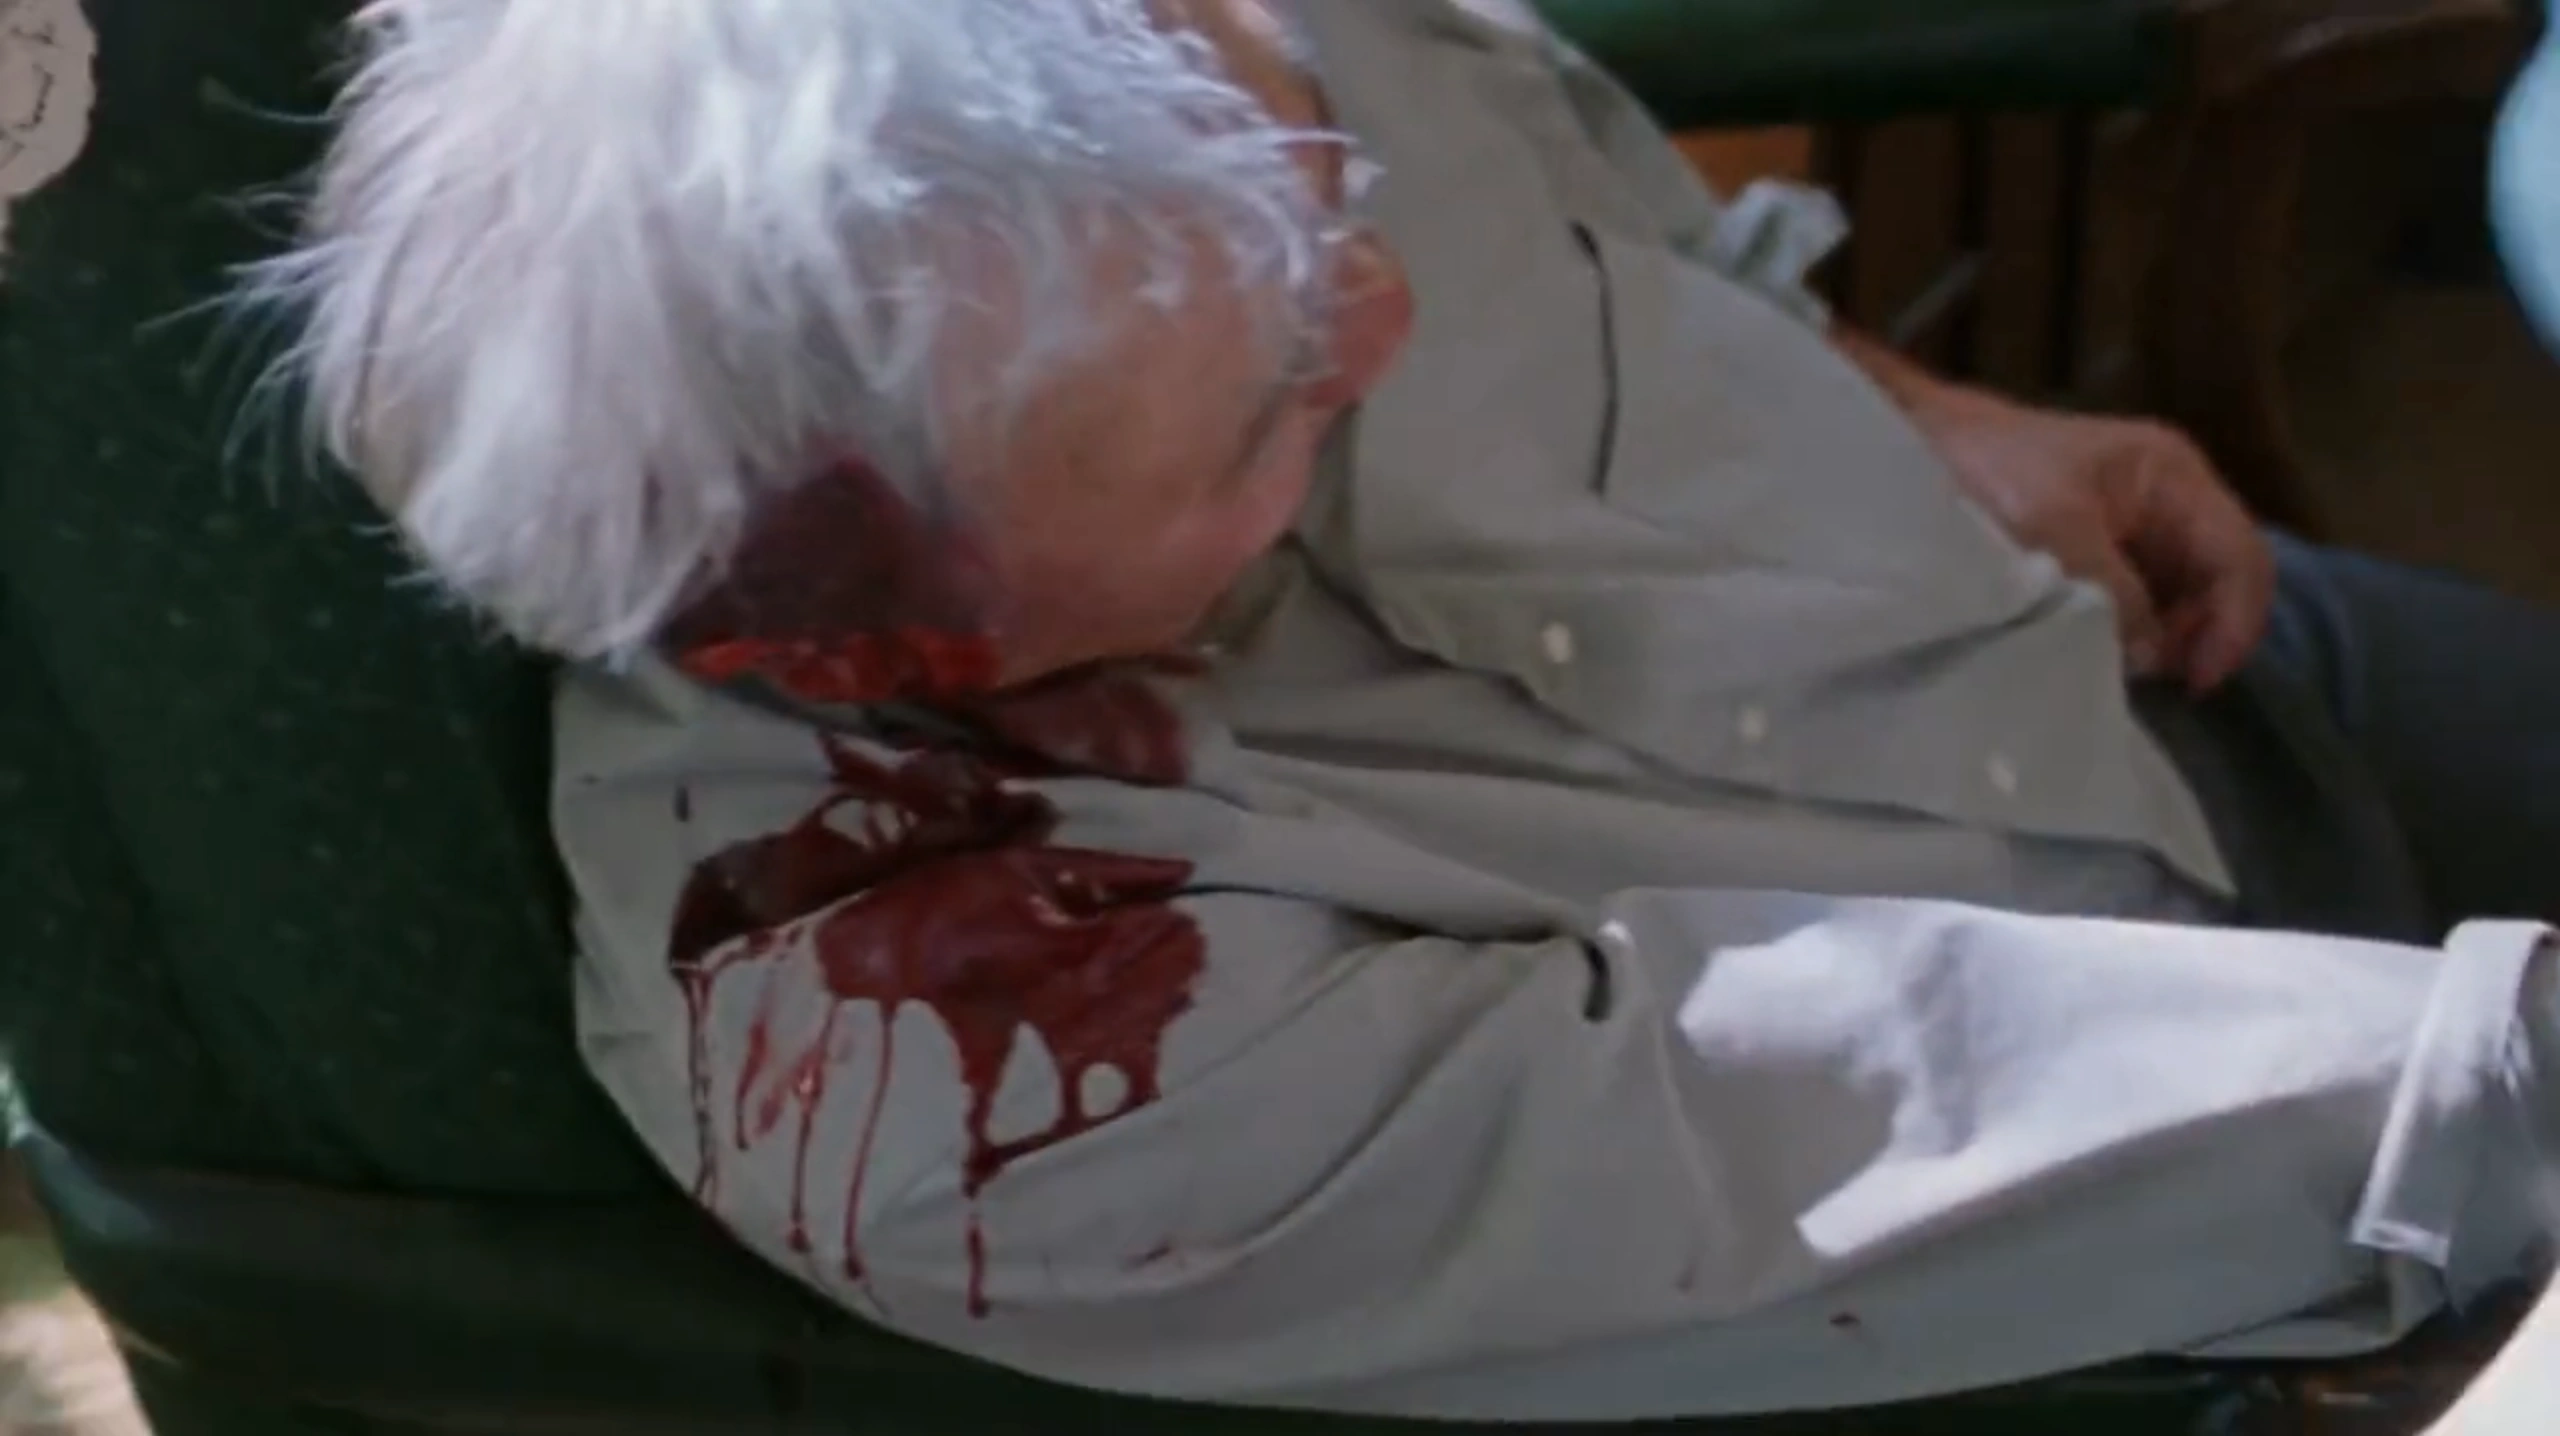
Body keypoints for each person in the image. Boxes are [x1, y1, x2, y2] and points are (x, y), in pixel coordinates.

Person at [253, 0, 2560, 1420]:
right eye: (1272, 394)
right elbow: (1919, 1126)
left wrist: (1930, 408)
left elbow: (1593, 199)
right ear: (871, 654)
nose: (1378, 307)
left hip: (2137, 657)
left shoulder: (1196, 44)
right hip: (2250, 1138)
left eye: (1323, 176)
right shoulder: (978, 1065)